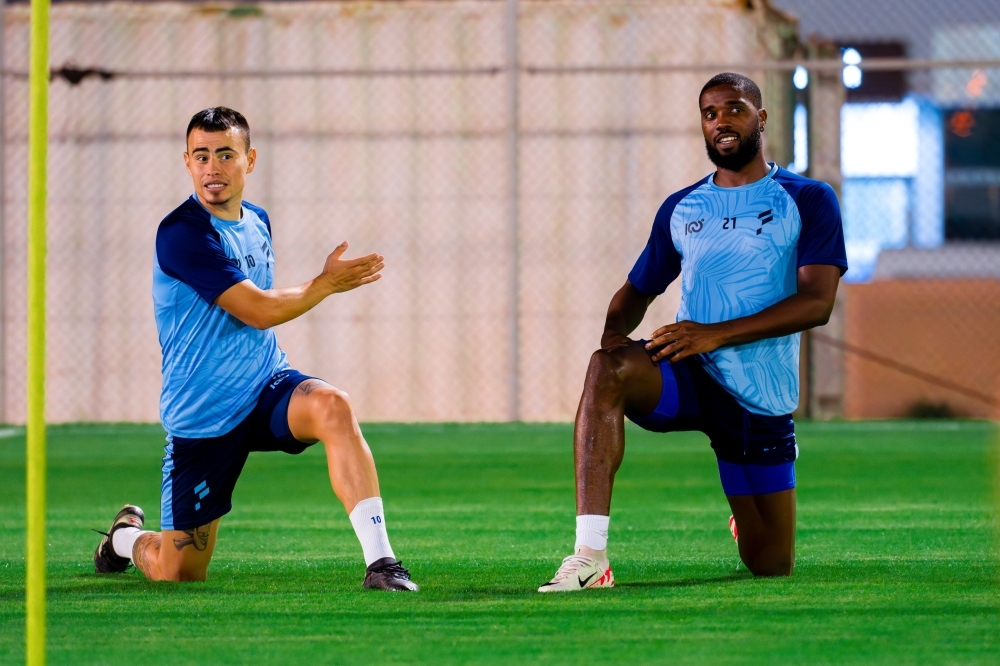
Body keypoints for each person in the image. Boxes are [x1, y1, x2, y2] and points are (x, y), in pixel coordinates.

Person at [538, 73, 847, 592]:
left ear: (761, 118)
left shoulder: (809, 199)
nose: (721, 121)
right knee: (607, 370)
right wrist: (611, 349)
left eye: (734, 109)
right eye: (710, 113)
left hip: (759, 394)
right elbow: (637, 290)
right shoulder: (683, 207)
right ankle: (590, 557)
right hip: (687, 370)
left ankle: (747, 520)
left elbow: (817, 303)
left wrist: (714, 334)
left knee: (771, 564)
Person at [92, 107, 418, 591]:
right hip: (204, 413)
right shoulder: (183, 233)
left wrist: (319, 287)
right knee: (178, 572)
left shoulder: (258, 220)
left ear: (250, 160)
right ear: (187, 162)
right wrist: (325, 284)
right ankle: (124, 538)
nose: (213, 167)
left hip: (266, 385)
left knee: (333, 406)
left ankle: (383, 564)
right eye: (202, 155)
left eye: (226, 154)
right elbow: (258, 310)